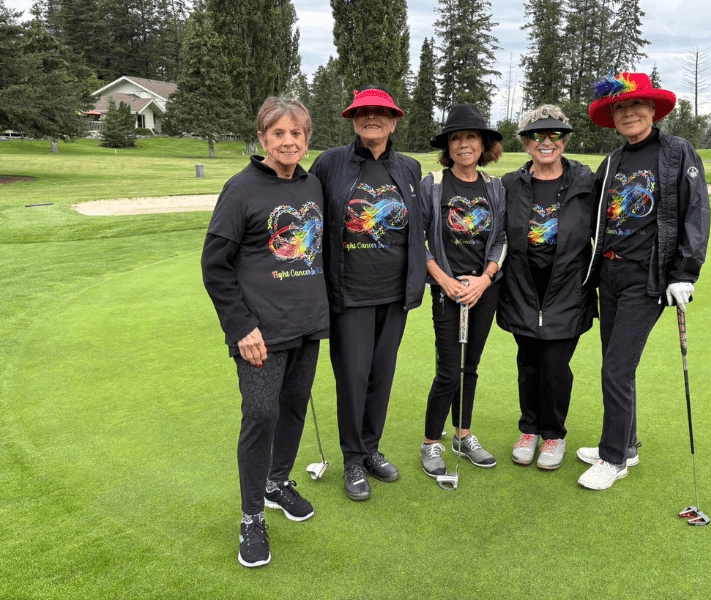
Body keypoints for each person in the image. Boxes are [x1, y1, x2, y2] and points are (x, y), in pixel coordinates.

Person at [201, 97, 328, 567]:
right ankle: (252, 516)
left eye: (297, 133)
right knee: (260, 416)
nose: (289, 141)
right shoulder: (241, 190)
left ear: (307, 139)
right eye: (279, 134)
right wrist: (241, 328)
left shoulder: (313, 185)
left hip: (307, 326)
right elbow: (215, 266)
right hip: (259, 334)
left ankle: (278, 483)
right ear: (262, 139)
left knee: (293, 409)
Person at [576, 71, 711, 490]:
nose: (628, 113)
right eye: (620, 107)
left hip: (647, 278)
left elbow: (696, 212)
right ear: (613, 116)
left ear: (652, 109)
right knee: (616, 365)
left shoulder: (676, 152)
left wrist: (685, 273)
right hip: (610, 274)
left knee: (617, 368)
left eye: (636, 105)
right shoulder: (614, 160)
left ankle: (613, 459)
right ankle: (626, 443)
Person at [309, 87, 426, 501]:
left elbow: (421, 228)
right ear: (353, 120)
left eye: (380, 113)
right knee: (353, 380)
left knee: (381, 377)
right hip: (349, 293)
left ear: (394, 121)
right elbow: (309, 216)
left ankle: (371, 449)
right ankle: (353, 459)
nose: (371, 118)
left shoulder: (409, 168)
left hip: (395, 295)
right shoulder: (330, 164)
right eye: (363, 113)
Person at [498, 105, 597, 470]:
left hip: (568, 290)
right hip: (523, 289)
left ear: (565, 140)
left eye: (555, 135)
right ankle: (530, 429)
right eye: (537, 135)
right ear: (525, 143)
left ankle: (553, 434)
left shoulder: (587, 182)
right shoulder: (510, 184)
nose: (546, 142)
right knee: (528, 363)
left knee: (555, 365)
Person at [419, 104, 506, 477]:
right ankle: (430, 443)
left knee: (470, 367)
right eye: (456, 138)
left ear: (483, 143)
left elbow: (501, 239)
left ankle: (463, 435)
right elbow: (416, 243)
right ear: (448, 147)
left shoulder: (494, 187)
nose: (464, 144)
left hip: (484, 290)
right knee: (448, 370)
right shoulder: (433, 185)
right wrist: (444, 279)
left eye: (471, 137)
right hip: (448, 290)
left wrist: (485, 279)